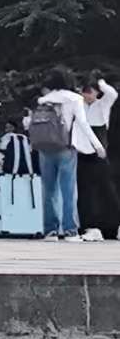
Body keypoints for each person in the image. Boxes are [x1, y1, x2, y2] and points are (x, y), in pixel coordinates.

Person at [33, 68, 103, 240]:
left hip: (44, 148)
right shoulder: (75, 99)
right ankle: (70, 230)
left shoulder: (44, 99)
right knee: (69, 191)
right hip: (65, 147)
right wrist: (97, 145)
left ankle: (50, 230)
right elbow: (83, 124)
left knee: (49, 190)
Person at [83, 75, 119, 240]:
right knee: (88, 191)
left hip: (100, 152)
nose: (87, 95)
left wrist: (100, 82)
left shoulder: (103, 104)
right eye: (84, 91)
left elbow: (112, 94)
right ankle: (92, 227)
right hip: (83, 152)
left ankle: (117, 226)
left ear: (97, 92)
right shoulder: (80, 106)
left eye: (90, 91)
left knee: (108, 189)